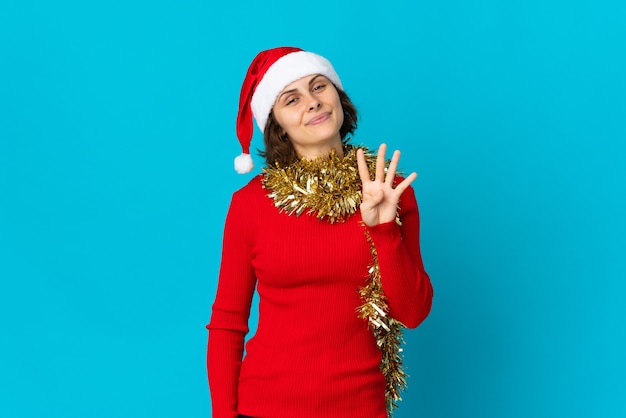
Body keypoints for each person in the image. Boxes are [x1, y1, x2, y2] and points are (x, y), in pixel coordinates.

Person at [206, 46, 433, 418]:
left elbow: (413, 312)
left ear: (338, 98)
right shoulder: (250, 204)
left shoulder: (387, 188)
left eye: (319, 87)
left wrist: (385, 230)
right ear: (275, 123)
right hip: (264, 408)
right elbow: (227, 323)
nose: (312, 103)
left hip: (361, 408)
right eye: (292, 99)